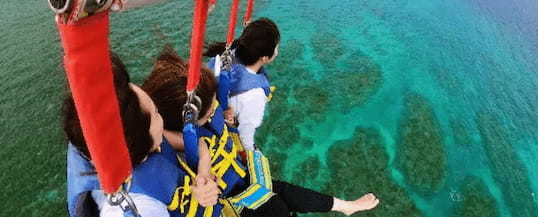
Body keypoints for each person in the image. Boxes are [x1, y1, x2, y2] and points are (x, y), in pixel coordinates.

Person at [143, 46, 380, 217]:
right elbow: (196, 151)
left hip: (243, 177)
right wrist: (203, 177)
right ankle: (342, 207)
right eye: (211, 107)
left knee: (284, 191)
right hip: (232, 201)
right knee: (277, 206)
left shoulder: (196, 124)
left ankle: (344, 206)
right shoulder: (178, 141)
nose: (217, 107)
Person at [63, 52, 220, 217]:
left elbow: (196, 144)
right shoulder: (139, 207)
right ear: (143, 142)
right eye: (156, 113)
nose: (161, 118)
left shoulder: (129, 140)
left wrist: (203, 173)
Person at [205, 18, 280, 151]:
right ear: (264, 58)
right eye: (276, 47)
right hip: (221, 125)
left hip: (210, 108)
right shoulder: (255, 94)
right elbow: (246, 131)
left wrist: (251, 30)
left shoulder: (230, 52)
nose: (277, 50)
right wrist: (251, 151)